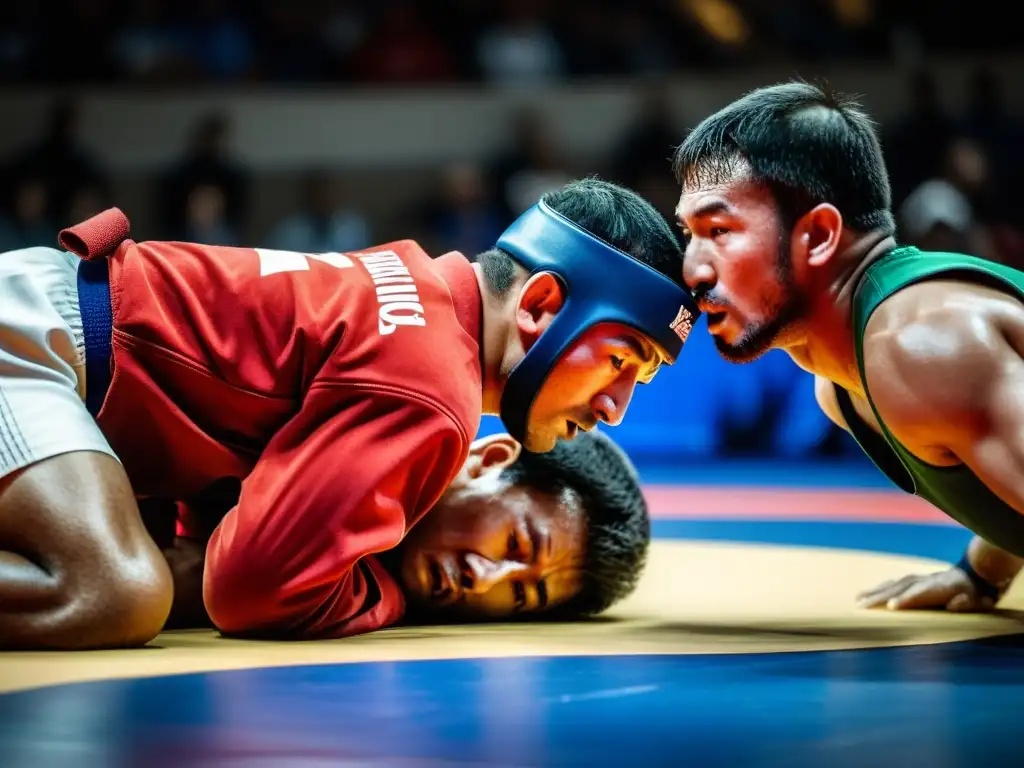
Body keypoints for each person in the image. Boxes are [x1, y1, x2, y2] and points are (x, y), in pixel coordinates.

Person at [0, 177, 696, 649]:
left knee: (155, 555)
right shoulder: (434, 388)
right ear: (541, 307)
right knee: (119, 591)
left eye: (520, 596)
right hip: (42, 346)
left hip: (60, 346)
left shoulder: (415, 291)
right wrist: (387, 588)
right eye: (621, 363)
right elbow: (250, 592)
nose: (614, 406)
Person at [672, 81, 1024, 614]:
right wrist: (982, 570)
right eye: (689, 235)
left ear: (817, 236)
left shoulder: (918, 343)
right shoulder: (842, 384)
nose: (693, 269)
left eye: (719, 230)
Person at [163, 429, 650, 630]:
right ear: (489, 460)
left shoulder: (381, 596)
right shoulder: (382, 438)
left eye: (521, 596)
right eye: (515, 543)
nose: (484, 579)